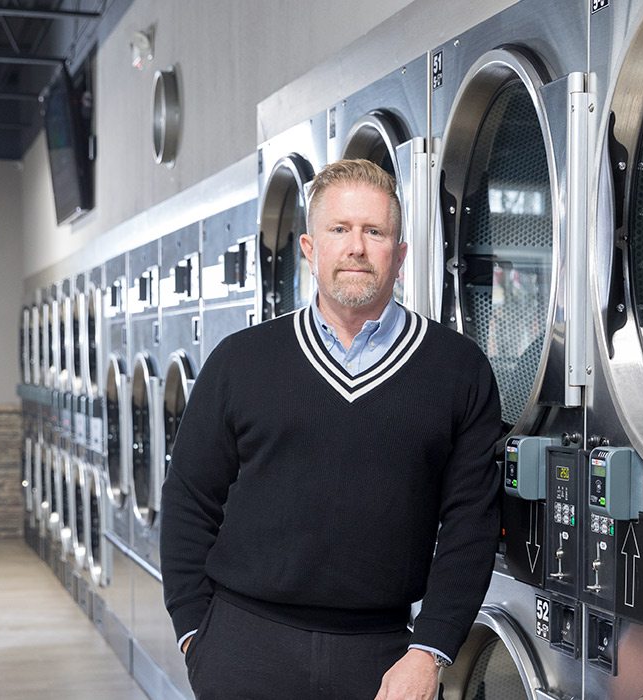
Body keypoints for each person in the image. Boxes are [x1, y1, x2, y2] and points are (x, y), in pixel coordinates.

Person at [160, 159, 503, 699]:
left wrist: (431, 649)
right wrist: (194, 635)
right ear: (309, 248)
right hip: (243, 647)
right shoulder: (241, 361)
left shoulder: (457, 370)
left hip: (382, 655)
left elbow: (471, 524)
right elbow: (188, 500)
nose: (357, 247)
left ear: (402, 254)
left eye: (375, 231)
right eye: (339, 229)